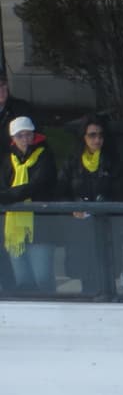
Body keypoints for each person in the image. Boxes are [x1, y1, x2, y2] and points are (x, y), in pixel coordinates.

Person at [58, 113, 123, 294]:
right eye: (92, 135)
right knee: (86, 276)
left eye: (100, 135)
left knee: (106, 274)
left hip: (106, 226)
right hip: (81, 228)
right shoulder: (73, 162)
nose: (97, 139)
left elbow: (122, 191)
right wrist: (73, 208)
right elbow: (61, 191)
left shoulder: (112, 161)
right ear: (83, 137)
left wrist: (105, 203)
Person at [0, 116, 57, 293]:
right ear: (13, 139)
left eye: (28, 135)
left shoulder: (44, 156)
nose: (25, 140)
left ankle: (50, 310)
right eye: (20, 136)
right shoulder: (8, 160)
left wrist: (8, 196)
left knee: (42, 277)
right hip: (15, 231)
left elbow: (36, 185)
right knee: (22, 279)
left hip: (41, 226)